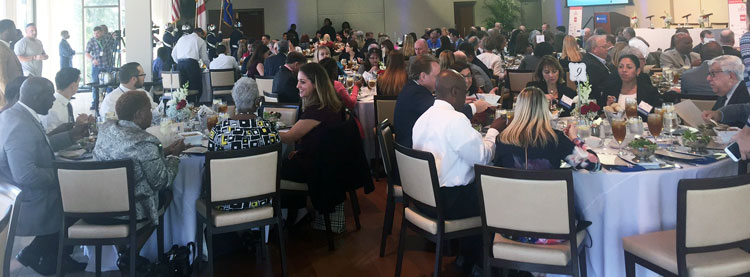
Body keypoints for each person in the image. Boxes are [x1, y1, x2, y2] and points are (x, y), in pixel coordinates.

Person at [411, 70, 506, 274]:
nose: (466, 98)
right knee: (497, 198)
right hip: (448, 202)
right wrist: (494, 131)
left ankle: (466, 258)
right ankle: (484, 265)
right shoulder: (454, 120)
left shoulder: (422, 119)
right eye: (464, 92)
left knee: (473, 188)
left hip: (423, 200)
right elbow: (482, 157)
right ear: (454, 91)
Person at [0, 77, 89, 275]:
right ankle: (36, 253)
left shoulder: (17, 114)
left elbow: (38, 145)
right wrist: (63, 175)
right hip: (29, 198)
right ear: (35, 96)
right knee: (84, 200)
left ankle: (55, 257)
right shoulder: (19, 125)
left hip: (21, 191)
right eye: (49, 96)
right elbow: (26, 175)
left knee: (79, 196)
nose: (52, 101)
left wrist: (72, 136)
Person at [94, 91, 183, 225]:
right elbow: (162, 181)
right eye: (149, 109)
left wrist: (165, 151)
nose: (152, 113)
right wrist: (175, 156)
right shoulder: (145, 141)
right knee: (172, 194)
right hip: (134, 212)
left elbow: (127, 154)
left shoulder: (106, 128)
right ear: (139, 114)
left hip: (100, 207)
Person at [278, 62, 346, 231]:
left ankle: (285, 216)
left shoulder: (316, 111)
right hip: (326, 163)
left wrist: (263, 130)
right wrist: (300, 151)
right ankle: (298, 211)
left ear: (316, 84)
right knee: (289, 160)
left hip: (318, 169)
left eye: (302, 82)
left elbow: (289, 137)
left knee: (274, 169)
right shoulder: (331, 106)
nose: (297, 85)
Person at [393, 55, 489, 147]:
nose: (441, 80)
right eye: (437, 77)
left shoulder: (413, 88)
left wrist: (457, 102)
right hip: (414, 152)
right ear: (423, 76)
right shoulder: (415, 94)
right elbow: (444, 115)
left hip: (415, 147)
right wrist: (474, 107)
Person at [495, 86, 600, 171]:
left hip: (512, 195)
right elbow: (594, 164)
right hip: (548, 196)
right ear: (544, 109)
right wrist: (574, 138)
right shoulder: (555, 139)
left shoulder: (502, 138)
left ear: (518, 108)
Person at [604, 54, 662, 121]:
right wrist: (608, 109)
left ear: (638, 71)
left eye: (629, 67)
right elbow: (602, 116)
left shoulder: (648, 92)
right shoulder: (610, 90)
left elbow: (655, 116)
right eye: (620, 67)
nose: (624, 70)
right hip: (617, 129)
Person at [171, 25, 209, 102]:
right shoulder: (200, 40)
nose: (203, 37)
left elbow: (173, 54)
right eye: (203, 35)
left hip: (180, 64)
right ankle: (195, 105)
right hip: (192, 65)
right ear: (200, 33)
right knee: (196, 87)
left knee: (182, 88)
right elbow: (204, 58)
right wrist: (207, 67)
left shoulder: (182, 38)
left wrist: (180, 62)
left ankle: (183, 105)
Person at [85, 25, 113, 110]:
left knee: (110, 83)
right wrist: (92, 59)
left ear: (101, 32)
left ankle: (108, 100)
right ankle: (95, 102)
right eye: (94, 33)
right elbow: (87, 53)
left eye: (97, 33)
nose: (96, 35)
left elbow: (114, 43)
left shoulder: (107, 39)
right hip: (96, 66)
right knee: (95, 83)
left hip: (108, 64)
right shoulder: (91, 41)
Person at [582, 35, 614, 106]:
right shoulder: (592, 66)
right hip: (599, 104)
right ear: (594, 49)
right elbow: (597, 90)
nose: (607, 49)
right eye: (604, 47)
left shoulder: (593, 60)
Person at [0, 19, 23, 107]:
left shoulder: (6, 47)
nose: (16, 32)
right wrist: (10, 99)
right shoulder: (1, 49)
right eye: (14, 29)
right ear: (7, 32)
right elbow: (1, 77)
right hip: (5, 100)